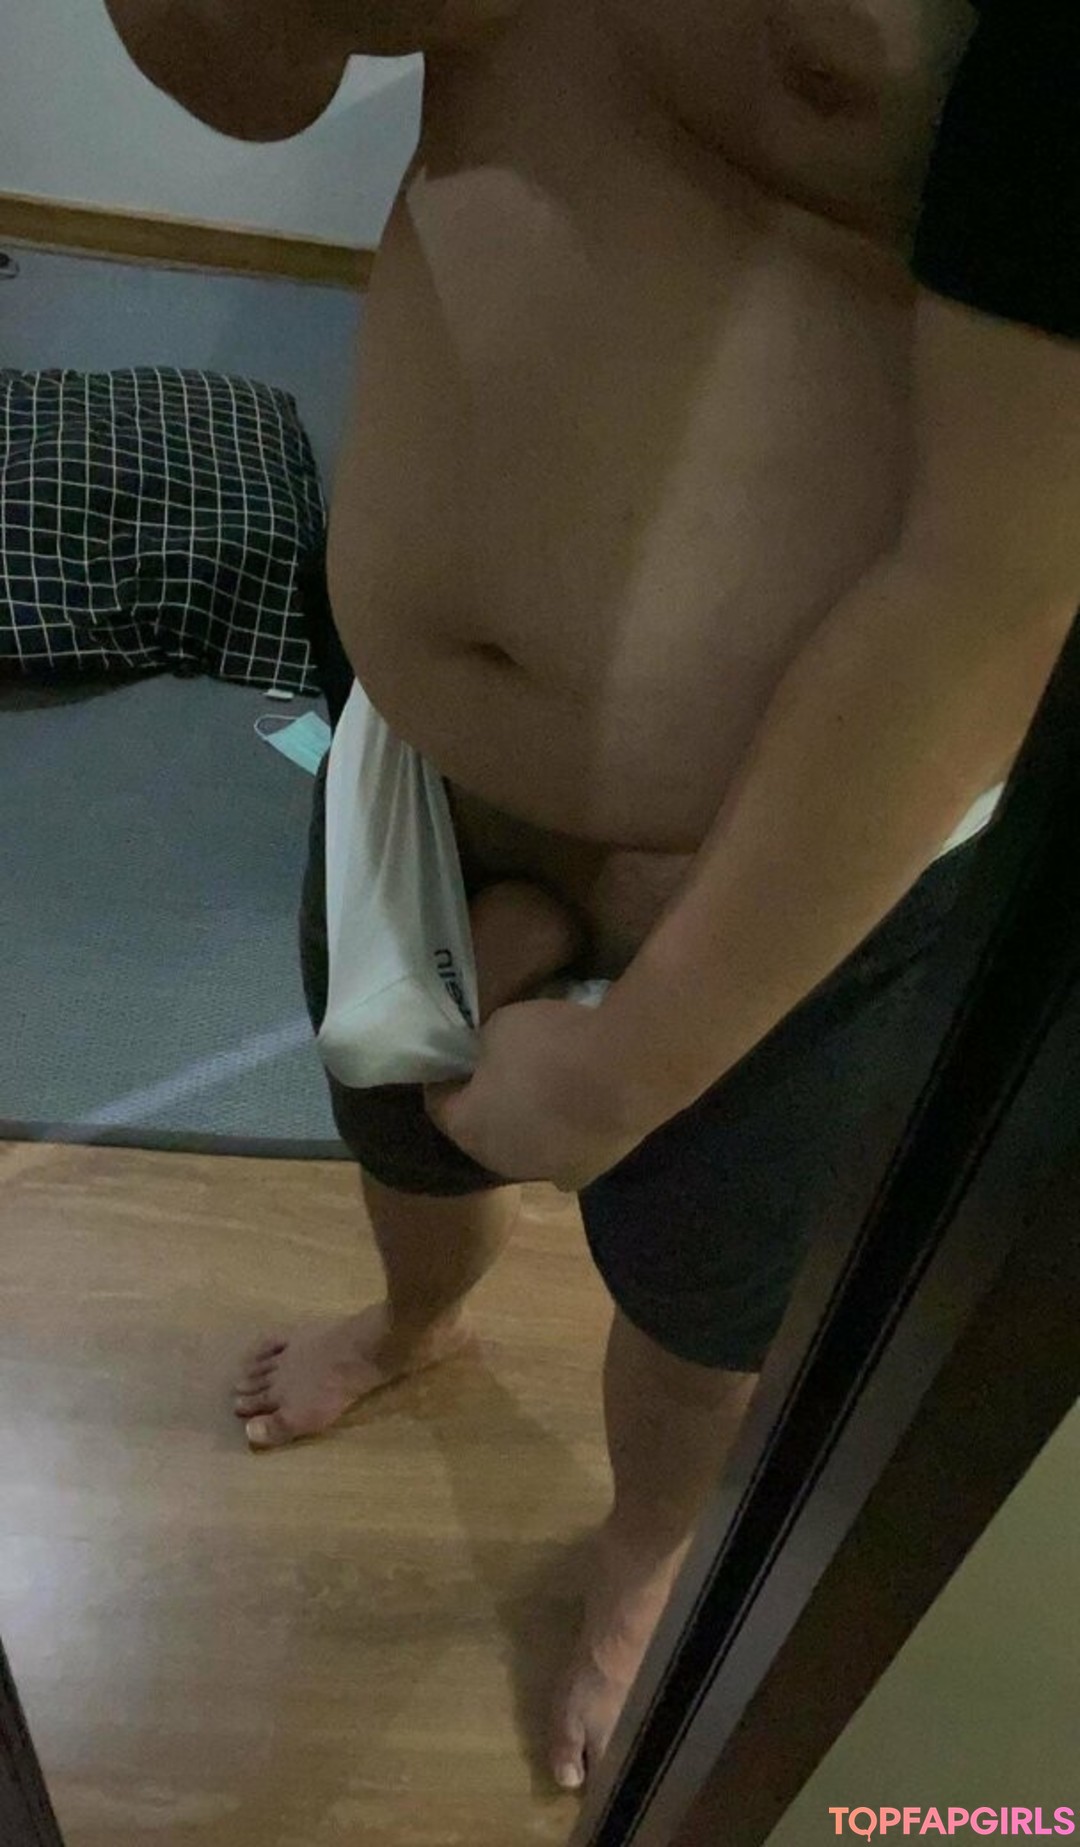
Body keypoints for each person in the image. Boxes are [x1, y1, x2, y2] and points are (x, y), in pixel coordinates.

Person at [107, 0, 1080, 1793]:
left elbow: (998, 583)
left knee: (705, 1304)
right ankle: (417, 1326)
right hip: (411, 760)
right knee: (398, 1129)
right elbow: (241, 76)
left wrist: (638, 1063)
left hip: (785, 869)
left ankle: (644, 1548)